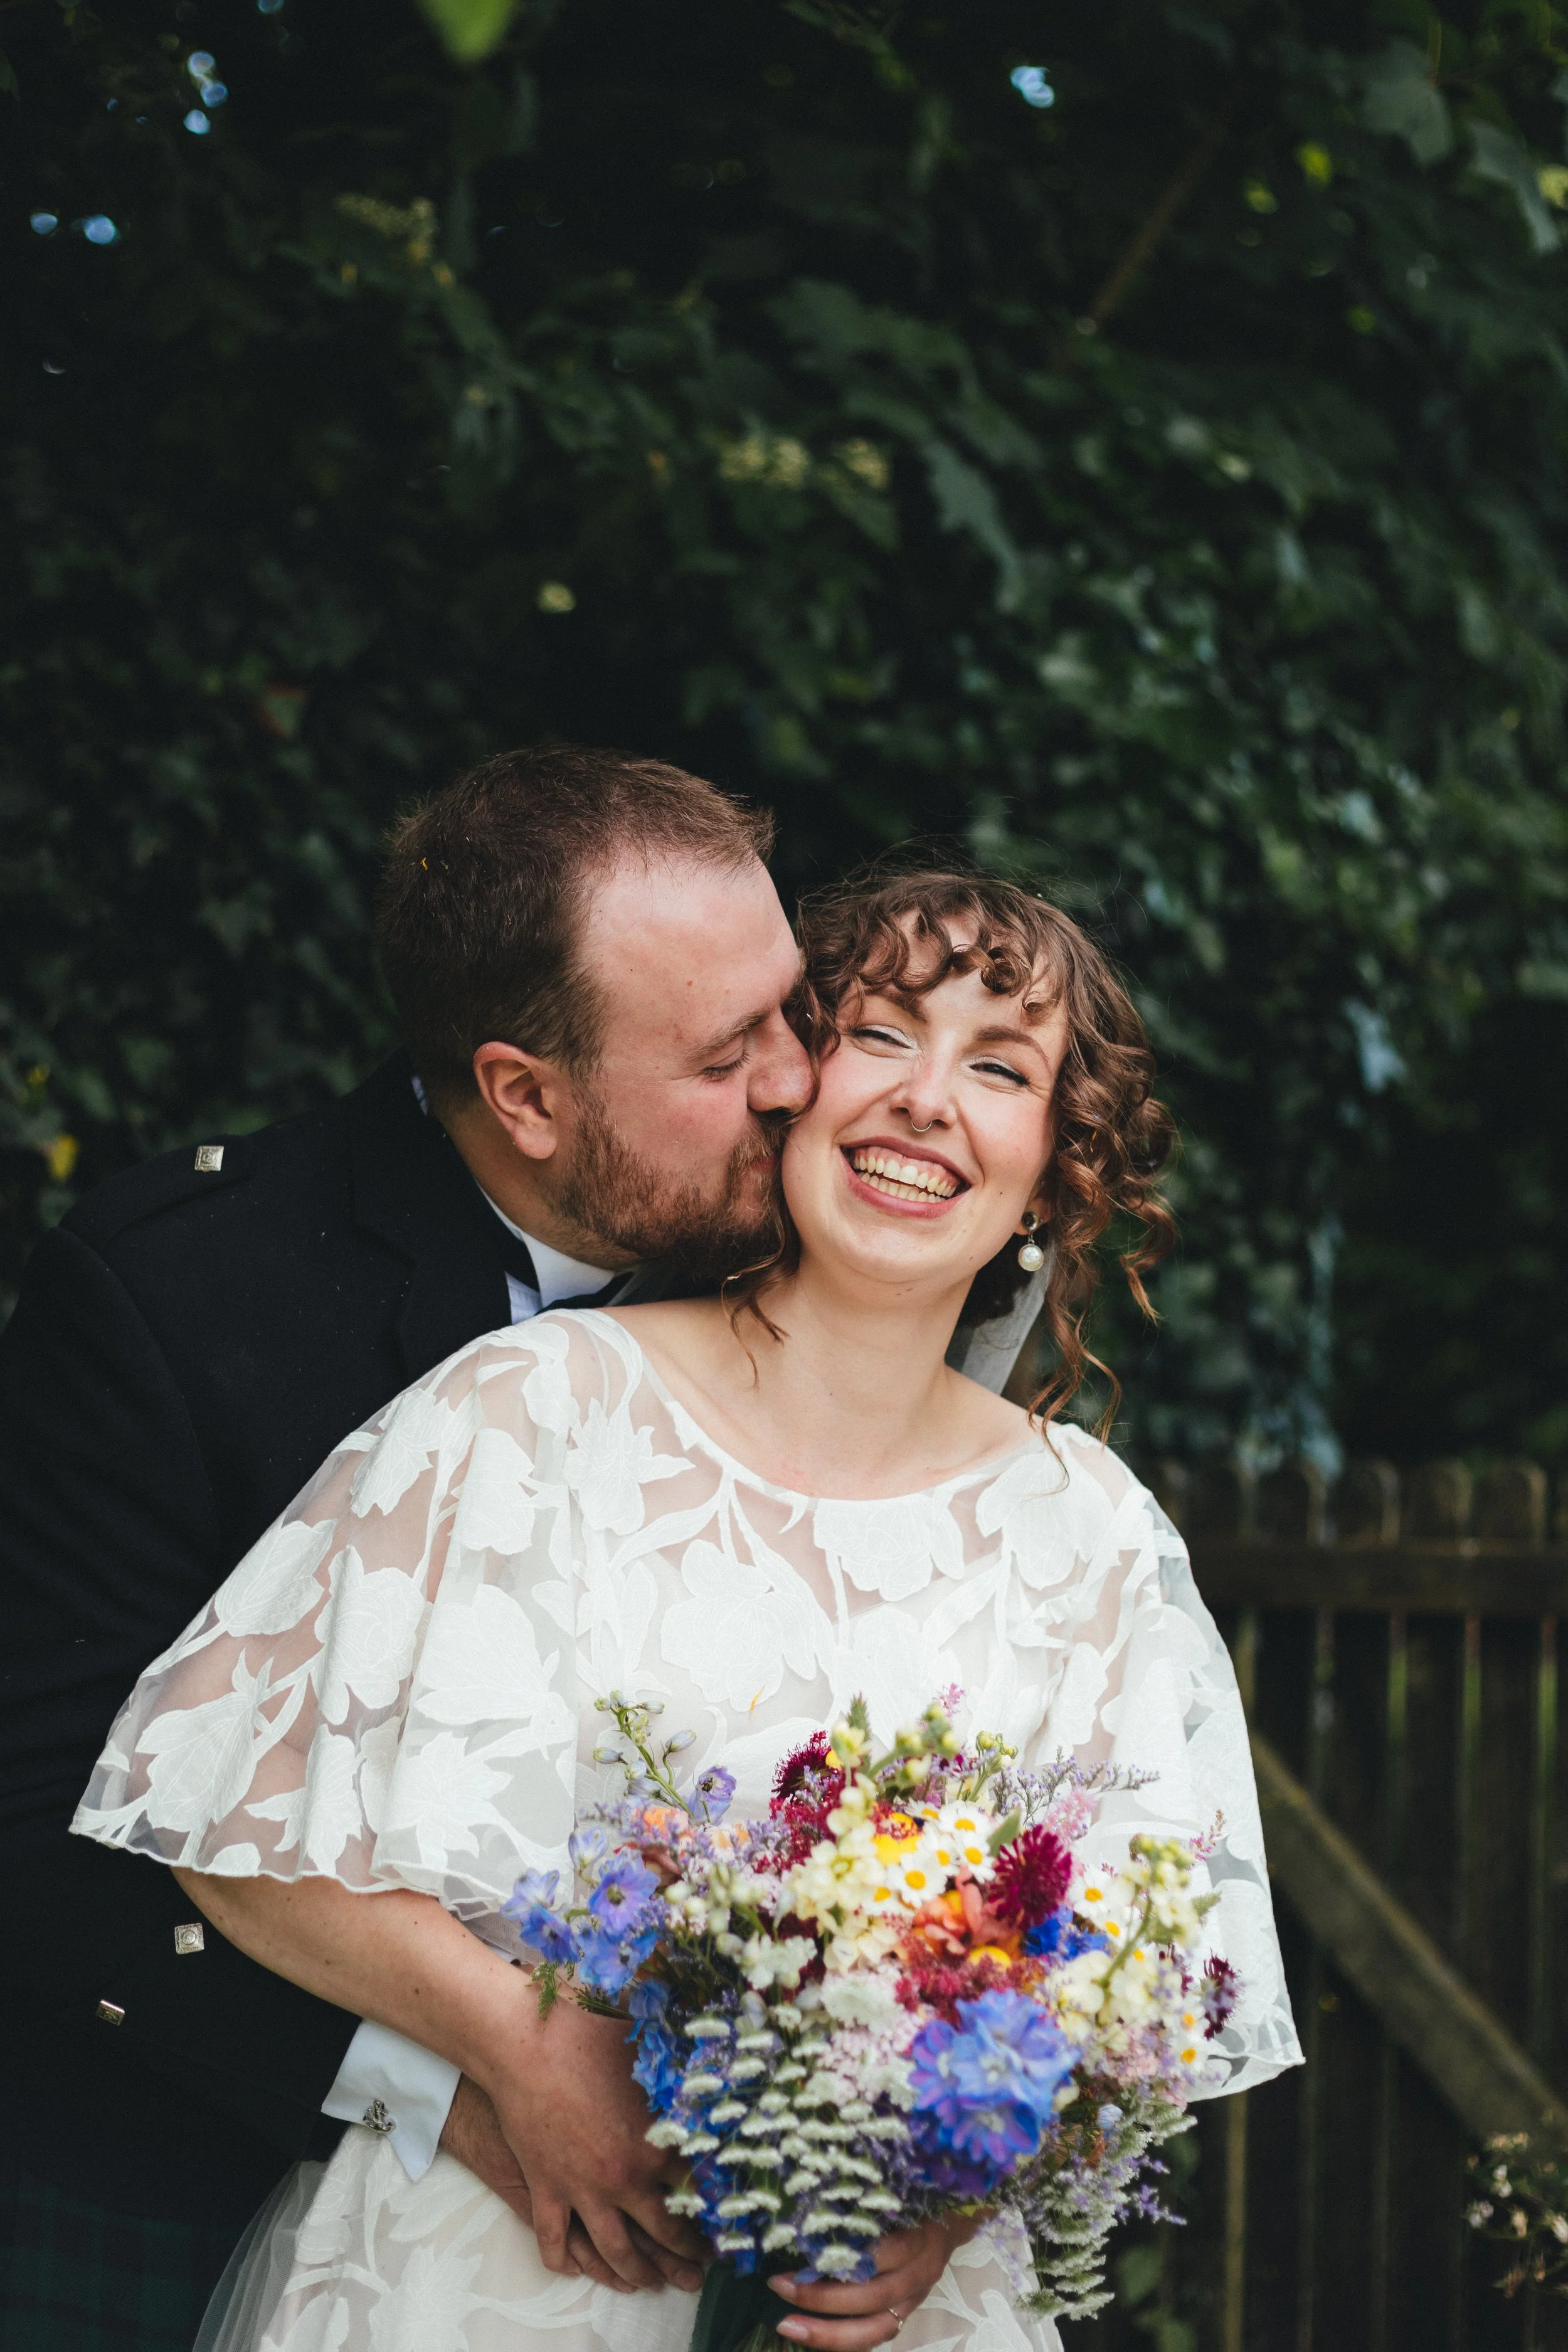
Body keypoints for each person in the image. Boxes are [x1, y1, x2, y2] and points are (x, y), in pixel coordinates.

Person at [72, 868, 1302, 2352]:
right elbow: (215, 1815)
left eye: (998, 1067)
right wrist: (521, 2054)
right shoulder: (528, 1409)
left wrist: (948, 2201)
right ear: (790, 1085)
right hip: (502, 2268)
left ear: (1050, 1172)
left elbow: (1143, 1990)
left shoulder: (1090, 1536)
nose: (927, 1101)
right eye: (884, 1035)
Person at [0, 746, 822, 2342]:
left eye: (791, 1008)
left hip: (696, 2244)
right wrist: (467, 2088)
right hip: (182, 2166)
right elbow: (41, 1819)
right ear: (524, 1093)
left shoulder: (820, 1259)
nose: (797, 1078)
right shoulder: (186, 1297)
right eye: (728, 1055)